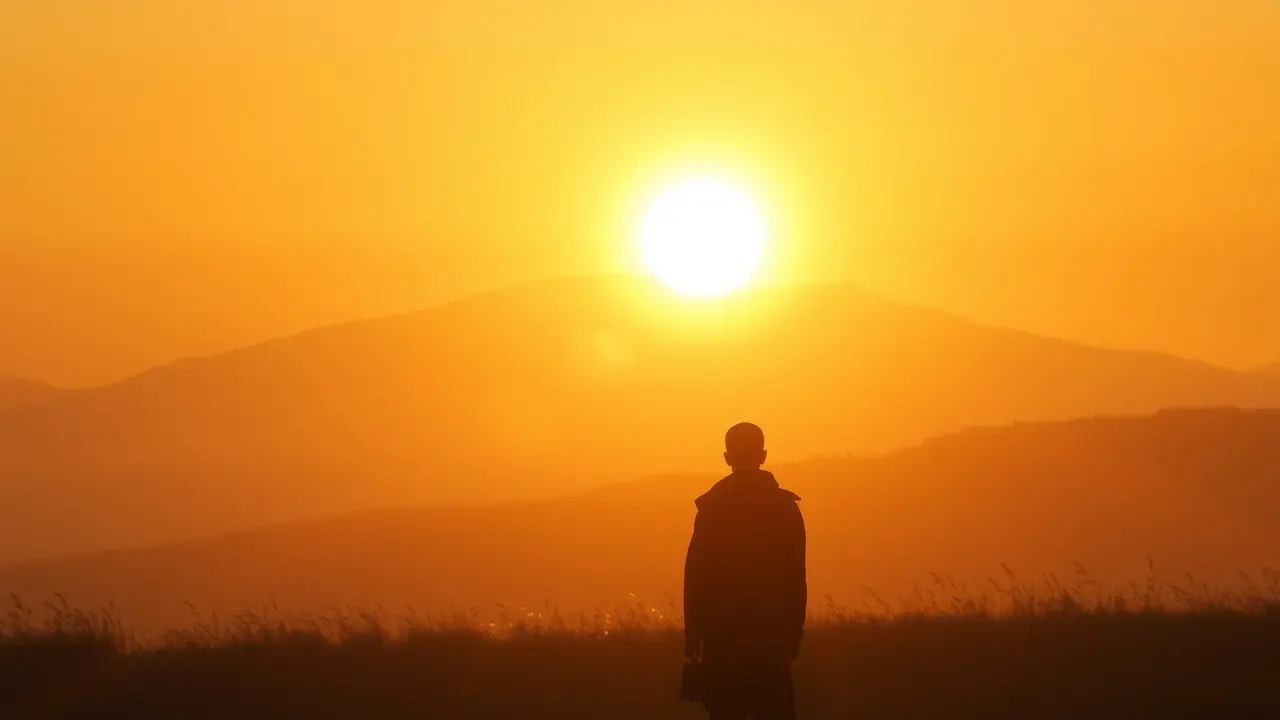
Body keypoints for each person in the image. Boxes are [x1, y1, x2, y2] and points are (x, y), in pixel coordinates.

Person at [683, 422, 807, 720]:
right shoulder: (785, 508)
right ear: (763, 455)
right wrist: (794, 630)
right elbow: (796, 575)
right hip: (772, 634)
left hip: (722, 636)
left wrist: (693, 632)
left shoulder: (710, 509)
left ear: (726, 457)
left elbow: (696, 576)